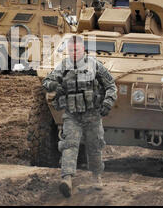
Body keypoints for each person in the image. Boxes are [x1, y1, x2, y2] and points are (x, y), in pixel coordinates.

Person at [42, 35, 117, 197]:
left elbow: (111, 85)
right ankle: (67, 179)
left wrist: (107, 103)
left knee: (94, 146)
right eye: (70, 50)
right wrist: (54, 84)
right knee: (69, 145)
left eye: (76, 49)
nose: (73, 53)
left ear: (83, 49)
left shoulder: (95, 65)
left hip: (92, 115)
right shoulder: (63, 66)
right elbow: (46, 82)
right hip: (72, 115)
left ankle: (97, 177)